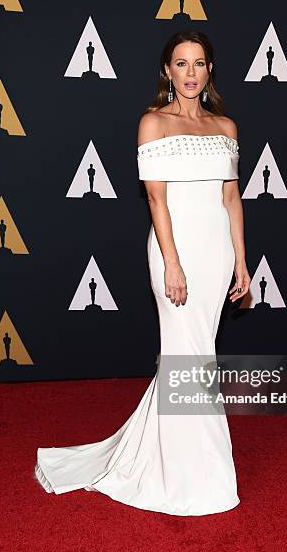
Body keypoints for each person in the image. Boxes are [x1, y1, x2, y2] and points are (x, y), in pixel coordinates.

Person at [34, 30, 251, 516]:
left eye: (199, 63)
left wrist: (240, 260)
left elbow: (231, 198)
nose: (191, 73)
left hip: (215, 253)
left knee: (196, 356)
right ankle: (192, 475)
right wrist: (172, 263)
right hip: (175, 251)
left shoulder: (226, 127)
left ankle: (185, 462)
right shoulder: (153, 124)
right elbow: (156, 199)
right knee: (186, 358)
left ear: (209, 69)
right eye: (181, 63)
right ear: (167, 71)